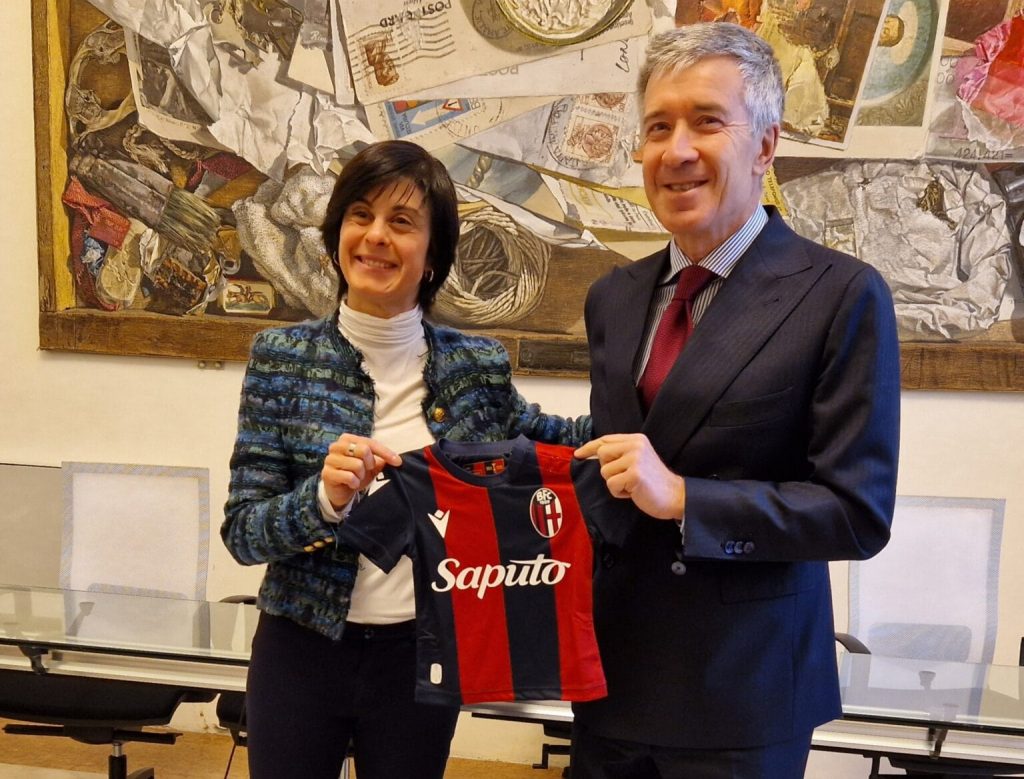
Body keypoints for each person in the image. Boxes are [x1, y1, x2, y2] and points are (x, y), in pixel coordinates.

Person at [571, 22, 900, 778]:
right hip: (610, 680)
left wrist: (687, 498)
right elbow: (613, 469)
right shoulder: (611, 298)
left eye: (707, 121)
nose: (677, 150)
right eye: (658, 127)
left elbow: (856, 513)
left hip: (743, 693)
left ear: (765, 145)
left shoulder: (842, 294)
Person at [221, 139, 590, 779]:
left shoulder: (476, 366)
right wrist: (322, 500)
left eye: (401, 221)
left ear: (433, 254)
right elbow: (243, 533)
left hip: (420, 658)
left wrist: (657, 408)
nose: (375, 237)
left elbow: (558, 442)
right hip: (300, 651)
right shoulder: (281, 358)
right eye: (360, 215)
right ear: (337, 234)